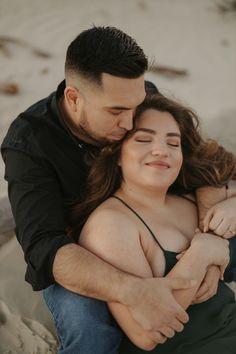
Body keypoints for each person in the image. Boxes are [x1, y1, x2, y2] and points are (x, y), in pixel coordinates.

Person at [1, 26, 236, 353]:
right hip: (81, 258)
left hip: (160, 228)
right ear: (74, 98)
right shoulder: (28, 143)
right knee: (93, 335)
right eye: (115, 112)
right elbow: (45, 248)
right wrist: (133, 291)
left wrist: (210, 236)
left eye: (135, 107)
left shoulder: (136, 97)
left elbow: (201, 160)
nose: (130, 122)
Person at [71, 94, 236, 353]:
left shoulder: (187, 198)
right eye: (144, 139)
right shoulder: (110, 224)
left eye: (173, 143)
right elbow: (145, 334)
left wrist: (231, 205)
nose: (161, 150)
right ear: (116, 155)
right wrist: (202, 253)